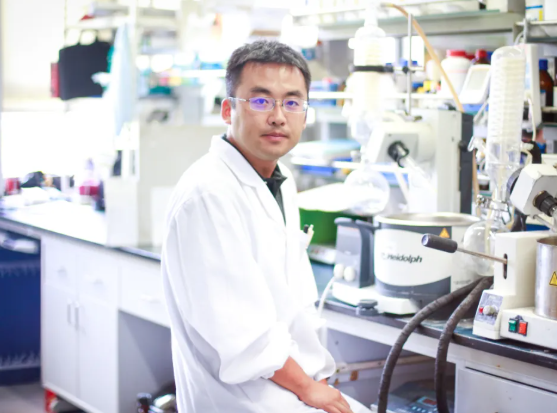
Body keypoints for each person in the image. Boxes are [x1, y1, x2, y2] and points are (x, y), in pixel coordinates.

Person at [162, 40, 371, 413]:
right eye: (261, 101)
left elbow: (294, 305)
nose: (278, 116)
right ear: (228, 110)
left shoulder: (278, 180)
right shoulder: (208, 194)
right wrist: (309, 387)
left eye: (292, 102)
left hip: (290, 384)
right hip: (240, 398)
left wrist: (316, 383)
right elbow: (240, 334)